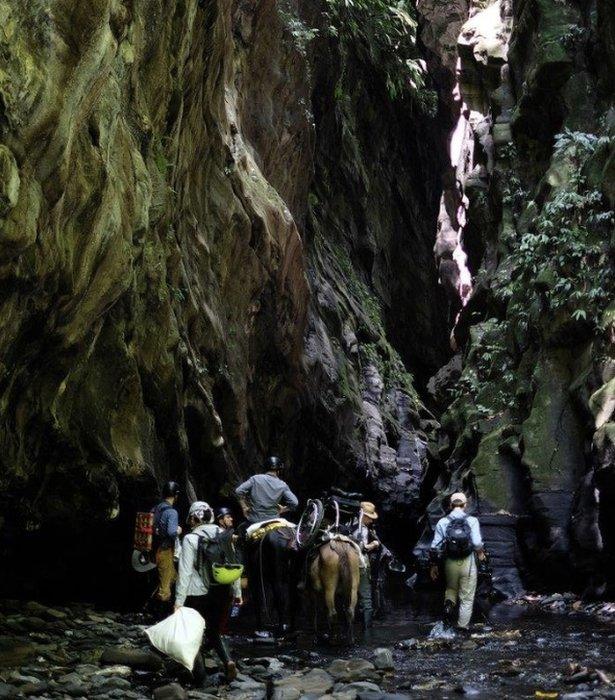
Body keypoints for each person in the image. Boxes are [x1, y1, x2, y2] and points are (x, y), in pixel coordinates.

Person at [175, 501, 242, 684]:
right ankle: (228, 661)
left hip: (197, 594)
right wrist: (237, 593)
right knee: (215, 631)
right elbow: (233, 563)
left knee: (193, 633)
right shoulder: (223, 534)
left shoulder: (189, 539)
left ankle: (201, 676)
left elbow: (185, 572)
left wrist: (179, 601)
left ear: (194, 517)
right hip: (222, 590)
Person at [429, 492, 486, 631]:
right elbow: (477, 543)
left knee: (451, 589)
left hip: (450, 561)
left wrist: (434, 566)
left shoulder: (443, 522)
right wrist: (481, 554)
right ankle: (462, 627)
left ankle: (449, 606)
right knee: (466, 597)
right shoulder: (472, 520)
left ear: (450, 505)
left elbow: (434, 546)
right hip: (468, 561)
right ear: (465, 505)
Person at [235, 456, 298, 524]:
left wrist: (244, 507)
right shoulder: (282, 485)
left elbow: (238, 491)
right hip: (273, 520)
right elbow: (294, 503)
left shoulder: (255, 479)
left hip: (254, 519)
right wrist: (284, 509)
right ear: (279, 470)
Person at [152, 481, 182, 606]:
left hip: (154, 548)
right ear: (176, 495)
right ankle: (157, 617)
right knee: (165, 590)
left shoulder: (155, 508)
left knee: (174, 577)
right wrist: (178, 531)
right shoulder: (172, 512)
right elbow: (171, 532)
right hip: (165, 551)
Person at [352, 501, 380, 632]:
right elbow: (361, 547)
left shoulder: (348, 523)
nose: (371, 521)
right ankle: (368, 632)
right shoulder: (361, 528)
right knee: (366, 597)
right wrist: (373, 544)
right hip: (359, 562)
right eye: (370, 518)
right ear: (364, 516)